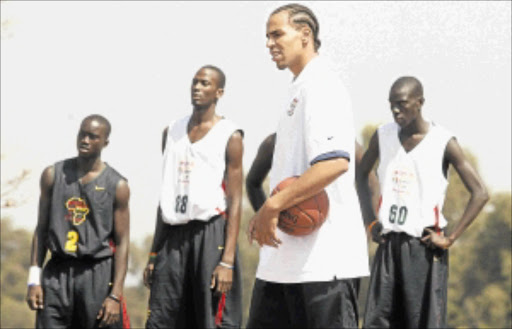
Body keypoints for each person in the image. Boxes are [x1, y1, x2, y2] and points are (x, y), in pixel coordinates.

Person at [245, 4, 369, 328]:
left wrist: (272, 205)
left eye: (277, 34)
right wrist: (268, 213)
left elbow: (335, 163)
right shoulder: (296, 89)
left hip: (326, 262)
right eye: (266, 37)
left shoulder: (323, 85)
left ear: (305, 35)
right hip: (283, 261)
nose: (270, 44)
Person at [357, 76, 489, 328]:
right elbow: (361, 176)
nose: (396, 110)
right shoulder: (383, 136)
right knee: (377, 322)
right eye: (392, 104)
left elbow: (480, 193)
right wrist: (370, 220)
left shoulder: (443, 141)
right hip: (388, 245)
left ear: (420, 103)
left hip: (423, 248)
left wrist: (450, 238)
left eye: (402, 104)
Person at [144, 65, 244, 328]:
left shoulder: (230, 136)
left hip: (210, 234)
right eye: (195, 82)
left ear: (219, 92)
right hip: (173, 237)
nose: (198, 88)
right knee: (161, 319)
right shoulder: (172, 132)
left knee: (210, 321)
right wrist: (154, 253)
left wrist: (228, 260)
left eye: (205, 84)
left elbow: (235, 201)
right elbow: (166, 194)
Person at [26, 114, 131, 329]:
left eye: (93, 137)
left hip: (96, 275)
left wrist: (115, 295)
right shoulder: (53, 175)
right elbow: (42, 229)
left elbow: (122, 242)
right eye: (82, 134)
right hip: (57, 273)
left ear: (105, 142)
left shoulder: (117, 185)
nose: (85, 140)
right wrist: (33, 279)